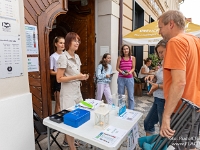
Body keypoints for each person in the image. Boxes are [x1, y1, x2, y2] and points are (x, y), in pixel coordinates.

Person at [158, 10, 200, 149]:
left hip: (181, 109)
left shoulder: (176, 42)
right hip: (195, 107)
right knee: (190, 146)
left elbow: (179, 82)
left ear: (171, 24)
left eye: (160, 27)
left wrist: (166, 116)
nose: (159, 32)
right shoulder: (195, 41)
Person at [56, 32, 89, 150]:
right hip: (68, 94)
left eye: (78, 41)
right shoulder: (63, 57)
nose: (77, 43)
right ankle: (71, 147)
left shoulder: (77, 56)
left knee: (80, 115)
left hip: (77, 92)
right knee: (70, 120)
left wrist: (82, 76)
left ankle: (71, 141)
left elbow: (76, 73)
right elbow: (59, 78)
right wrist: (76, 77)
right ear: (69, 42)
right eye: (75, 40)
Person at [143, 40, 166, 136]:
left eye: (162, 52)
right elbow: (161, 77)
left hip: (164, 100)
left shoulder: (173, 63)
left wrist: (158, 86)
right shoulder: (163, 62)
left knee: (163, 128)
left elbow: (176, 85)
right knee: (148, 123)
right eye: (158, 52)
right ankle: (150, 145)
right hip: (158, 98)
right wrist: (153, 77)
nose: (160, 55)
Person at [116, 44, 136, 110]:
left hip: (130, 78)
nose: (125, 50)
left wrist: (130, 72)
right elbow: (117, 68)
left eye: (127, 49)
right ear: (122, 50)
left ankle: (131, 110)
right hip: (121, 78)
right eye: (124, 49)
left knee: (130, 95)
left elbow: (133, 68)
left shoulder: (132, 58)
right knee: (121, 95)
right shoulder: (120, 58)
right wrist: (122, 72)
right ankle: (122, 109)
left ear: (129, 50)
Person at [50, 36, 65, 113]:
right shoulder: (53, 56)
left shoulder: (66, 55)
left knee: (65, 102)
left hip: (66, 81)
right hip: (58, 81)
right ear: (56, 44)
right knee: (58, 103)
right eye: (61, 43)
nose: (63, 45)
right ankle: (57, 120)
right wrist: (60, 73)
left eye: (64, 43)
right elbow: (51, 71)